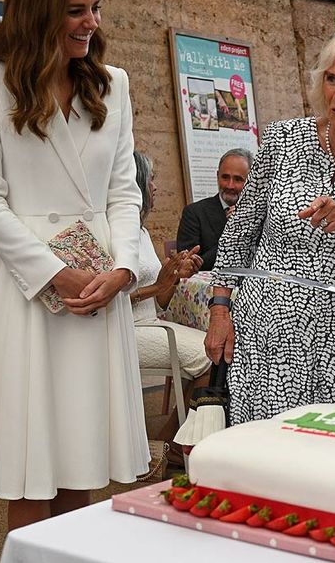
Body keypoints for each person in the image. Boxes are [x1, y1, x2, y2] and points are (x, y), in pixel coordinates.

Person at [0, 0, 148, 531]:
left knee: (84, 455)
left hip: (100, 283)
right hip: (33, 289)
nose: (92, 23)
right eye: (75, 11)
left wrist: (124, 270)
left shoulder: (113, 85)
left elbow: (125, 192)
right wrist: (56, 274)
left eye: (95, 9)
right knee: (32, 462)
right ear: (38, 14)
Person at [203, 24, 335, 425]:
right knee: (270, 452)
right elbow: (239, 234)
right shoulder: (283, 139)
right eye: (332, 79)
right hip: (269, 329)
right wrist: (220, 309)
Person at [129, 152, 210, 458]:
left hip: (151, 322)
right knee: (208, 356)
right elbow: (109, 297)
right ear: (135, 182)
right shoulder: (115, 231)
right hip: (127, 330)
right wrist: (157, 285)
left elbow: (160, 300)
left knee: (213, 348)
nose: (155, 186)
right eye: (150, 178)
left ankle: (174, 439)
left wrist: (175, 276)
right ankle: (171, 442)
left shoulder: (141, 230)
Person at [176, 148, 252, 271]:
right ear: (217, 176)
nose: (230, 185)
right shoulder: (194, 213)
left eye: (238, 179)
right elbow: (189, 267)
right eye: (225, 177)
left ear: (250, 181)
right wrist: (233, 232)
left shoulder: (260, 216)